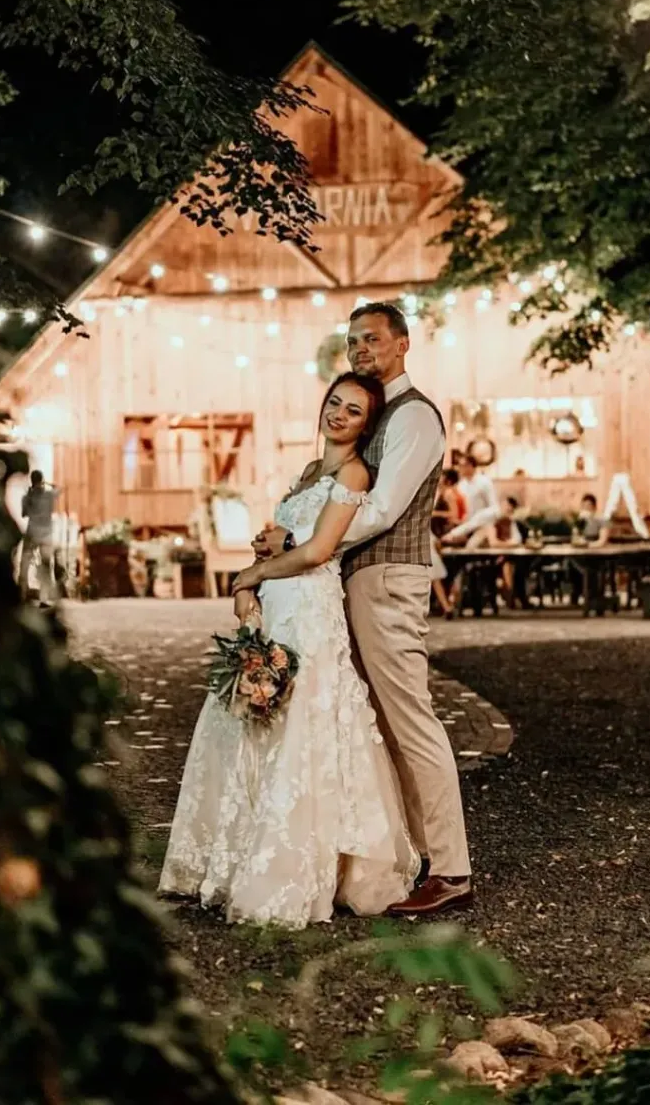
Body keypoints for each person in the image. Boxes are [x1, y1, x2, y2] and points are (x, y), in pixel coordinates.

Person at [158, 372, 419, 928]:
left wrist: (248, 573)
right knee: (253, 719)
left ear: (365, 425)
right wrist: (255, 579)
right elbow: (285, 538)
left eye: (353, 411)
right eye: (334, 403)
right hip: (277, 604)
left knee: (305, 724)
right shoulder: (308, 472)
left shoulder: (354, 472)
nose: (339, 415)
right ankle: (233, 857)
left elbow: (318, 550)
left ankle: (293, 870)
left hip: (310, 609)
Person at [252, 302, 472, 917]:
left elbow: (380, 511)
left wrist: (302, 544)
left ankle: (453, 870)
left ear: (404, 343)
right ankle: (423, 855)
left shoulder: (415, 417)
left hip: (388, 577)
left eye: (372, 339)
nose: (360, 350)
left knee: (411, 718)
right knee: (379, 723)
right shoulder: (374, 417)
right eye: (352, 343)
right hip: (354, 577)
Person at [18, 470, 59, 606]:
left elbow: (24, 514)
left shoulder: (28, 496)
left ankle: (22, 596)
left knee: (24, 564)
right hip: (46, 534)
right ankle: (43, 598)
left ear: (31, 480)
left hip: (32, 533)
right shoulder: (49, 495)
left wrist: (30, 496)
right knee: (46, 566)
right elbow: (57, 488)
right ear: (41, 480)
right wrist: (47, 483)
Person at [441, 454, 500, 546]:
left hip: (483, 524)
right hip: (466, 525)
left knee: (471, 546)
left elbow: (494, 508)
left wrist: (480, 517)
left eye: (462, 465)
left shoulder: (484, 482)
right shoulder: (462, 485)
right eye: (459, 465)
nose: (460, 468)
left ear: (471, 466)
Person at [430, 469, 464, 618]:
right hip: (435, 535)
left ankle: (446, 605)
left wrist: (433, 514)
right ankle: (444, 605)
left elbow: (454, 515)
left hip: (440, 535)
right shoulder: (442, 493)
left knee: (435, 572)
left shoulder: (449, 493)